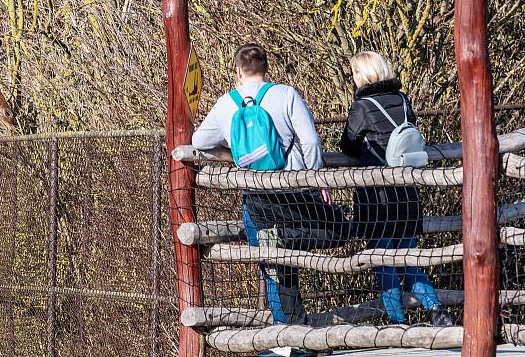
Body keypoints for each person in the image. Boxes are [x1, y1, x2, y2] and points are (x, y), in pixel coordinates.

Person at [192, 43, 349, 326]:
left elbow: (199, 142)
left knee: (273, 266)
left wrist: (235, 151)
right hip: (295, 187)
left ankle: (288, 332)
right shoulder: (286, 95)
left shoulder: (227, 103)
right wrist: (314, 177)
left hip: (256, 193)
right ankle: (295, 326)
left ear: (237, 71)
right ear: (266, 68)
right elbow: (311, 141)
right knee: (336, 230)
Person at [339, 51, 453, 326]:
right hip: (406, 191)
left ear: (363, 75)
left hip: (376, 197)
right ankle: (436, 310)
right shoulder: (402, 100)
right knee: (409, 258)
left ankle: (397, 321)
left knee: (384, 260)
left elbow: (348, 144)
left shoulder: (362, 106)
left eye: (354, 73)